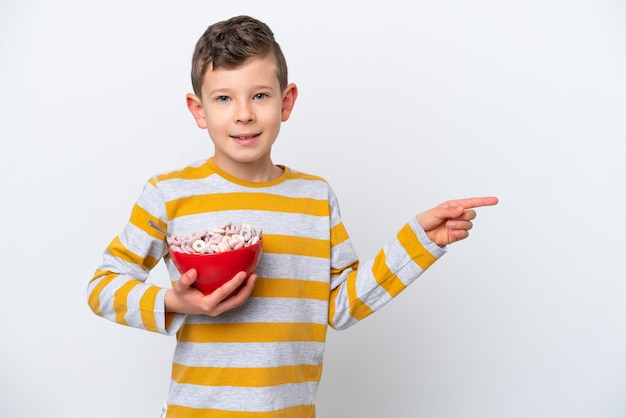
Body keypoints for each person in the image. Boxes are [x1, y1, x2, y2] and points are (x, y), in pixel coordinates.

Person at [87, 15, 499, 418]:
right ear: (199, 110)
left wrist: (421, 241)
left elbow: (340, 306)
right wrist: (172, 301)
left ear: (286, 102)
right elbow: (103, 286)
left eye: (260, 96)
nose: (244, 114)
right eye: (224, 98)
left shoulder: (315, 197)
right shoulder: (168, 194)